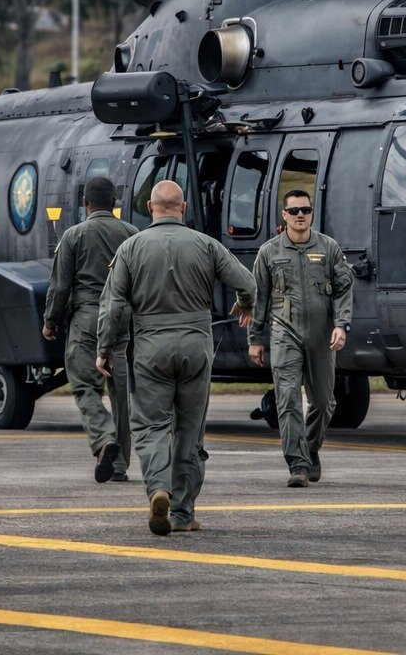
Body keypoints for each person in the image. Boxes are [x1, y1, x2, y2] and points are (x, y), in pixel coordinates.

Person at [97, 180, 255, 536]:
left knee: (151, 426)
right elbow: (247, 282)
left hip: (151, 347)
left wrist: (105, 349)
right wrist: (245, 305)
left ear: (151, 208)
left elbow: (114, 306)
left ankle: (158, 489)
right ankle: (183, 514)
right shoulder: (207, 245)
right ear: (182, 209)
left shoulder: (131, 247)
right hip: (197, 346)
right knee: (189, 430)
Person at [243, 189, 353, 487]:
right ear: (284, 215)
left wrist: (341, 325)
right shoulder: (269, 252)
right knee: (288, 399)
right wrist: (256, 339)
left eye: (305, 210)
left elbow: (344, 287)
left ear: (311, 213)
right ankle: (298, 465)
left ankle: (310, 448)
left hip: (321, 336)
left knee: (323, 402)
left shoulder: (328, 249)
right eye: (294, 211)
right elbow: (260, 297)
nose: (300, 215)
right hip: (284, 334)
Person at [42, 176, 137, 484]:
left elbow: (60, 286)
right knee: (121, 393)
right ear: (115, 204)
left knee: (85, 386)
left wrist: (50, 321)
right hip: (122, 317)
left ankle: (104, 438)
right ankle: (120, 464)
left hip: (87, 318)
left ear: (85, 203)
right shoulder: (132, 235)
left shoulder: (73, 235)